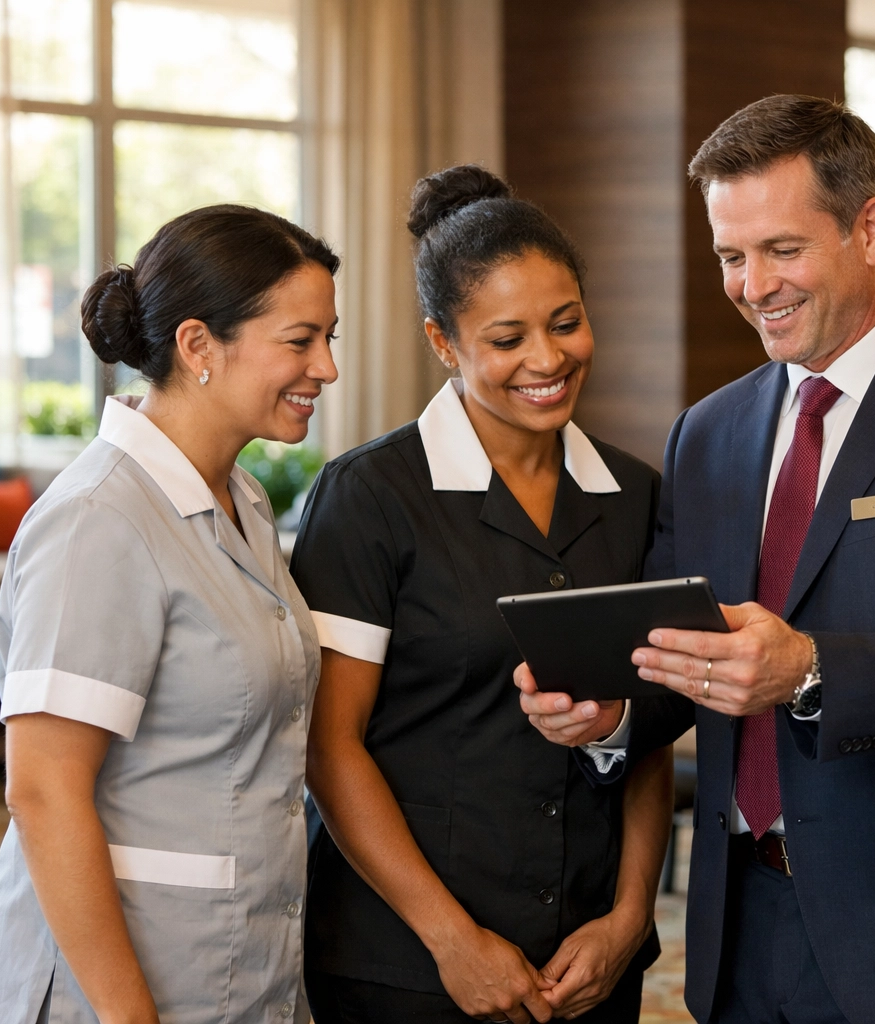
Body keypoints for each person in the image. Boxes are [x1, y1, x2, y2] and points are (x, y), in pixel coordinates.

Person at [520, 95, 875, 1024]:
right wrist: (609, 714)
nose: (752, 285)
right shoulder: (708, 432)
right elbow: (686, 649)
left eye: (781, 251)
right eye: (731, 257)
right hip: (737, 925)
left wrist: (810, 670)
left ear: (871, 229)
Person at [291, 165, 673, 1024]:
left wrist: (628, 915)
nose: (548, 359)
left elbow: (648, 727)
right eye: (507, 339)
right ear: (442, 341)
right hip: (408, 965)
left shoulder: (638, 494)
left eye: (567, 323)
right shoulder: (369, 497)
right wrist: (452, 940)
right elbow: (329, 744)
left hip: (590, 961)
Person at [0, 205, 341, 1024]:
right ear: (198, 345)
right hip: (113, 992)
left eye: (329, 339)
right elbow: (42, 790)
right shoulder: (99, 519)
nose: (327, 369)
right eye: (301, 341)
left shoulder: (239, 497)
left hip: (236, 966)